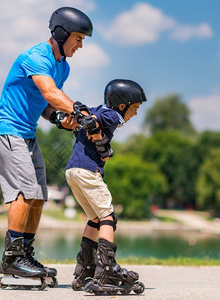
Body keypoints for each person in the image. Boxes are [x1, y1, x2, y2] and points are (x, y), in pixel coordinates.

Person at [0, 7, 94, 289]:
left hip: (27, 135)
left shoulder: (63, 67)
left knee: (39, 197)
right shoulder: (36, 57)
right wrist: (81, 113)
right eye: (78, 38)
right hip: (7, 130)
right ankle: (11, 260)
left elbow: (47, 105)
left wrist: (61, 119)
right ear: (61, 33)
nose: (80, 45)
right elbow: (49, 92)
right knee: (25, 193)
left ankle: (25, 256)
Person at [65, 79, 147, 295]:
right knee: (108, 217)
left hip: (72, 171)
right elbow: (94, 118)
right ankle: (107, 270)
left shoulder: (99, 109)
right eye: (135, 109)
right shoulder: (112, 115)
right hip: (87, 171)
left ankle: (86, 269)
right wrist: (92, 124)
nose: (135, 114)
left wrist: (85, 119)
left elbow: (83, 110)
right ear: (122, 106)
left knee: (95, 218)